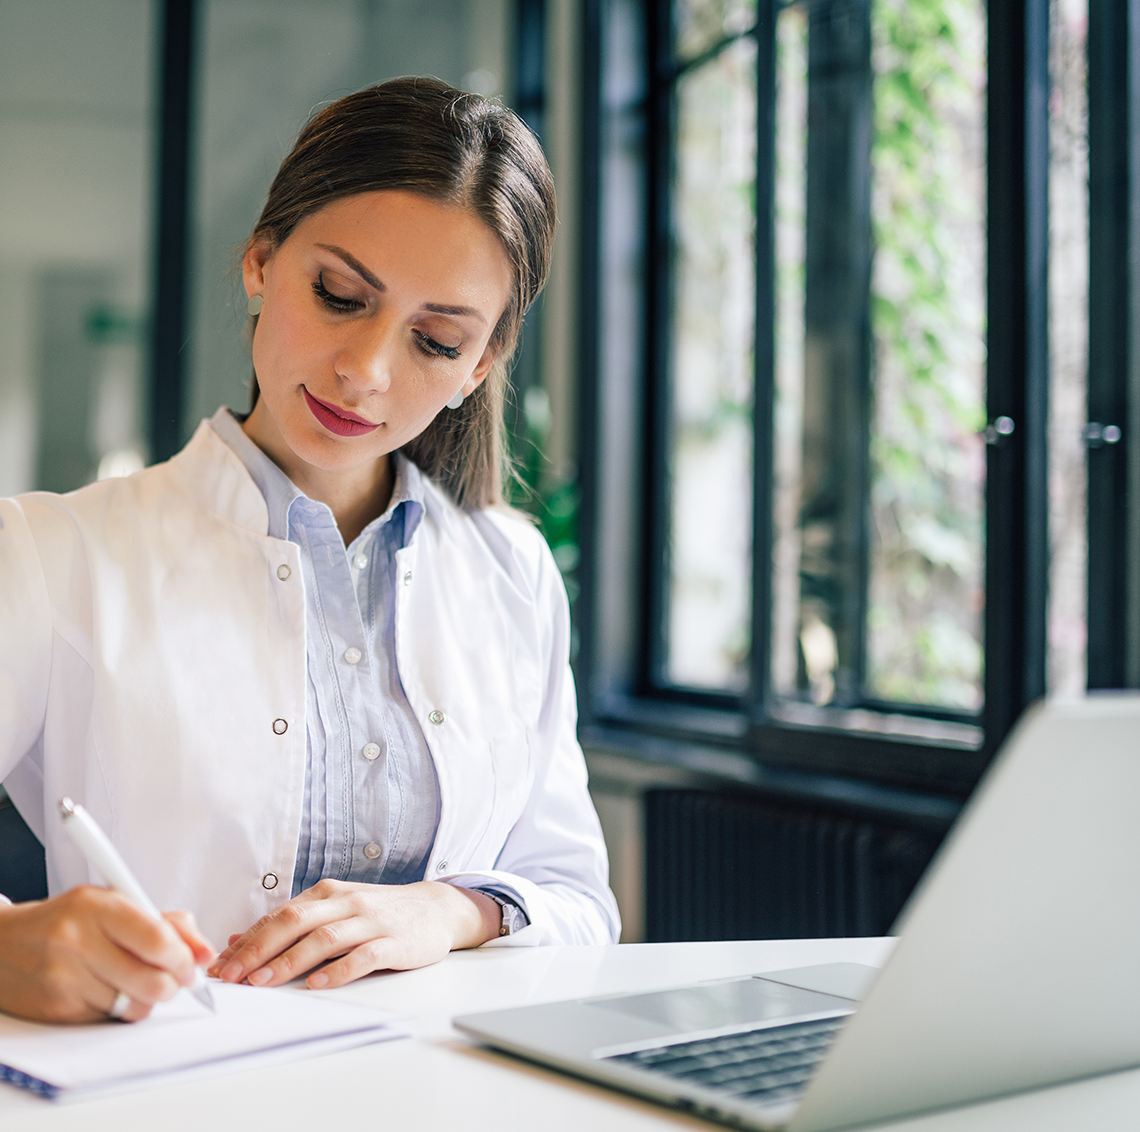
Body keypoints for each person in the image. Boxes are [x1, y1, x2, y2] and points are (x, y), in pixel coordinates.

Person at [0, 77, 619, 1024]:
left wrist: (450, 911)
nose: (366, 371)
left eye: (438, 341)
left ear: (482, 366)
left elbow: (580, 903)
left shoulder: (514, 574)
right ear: (259, 261)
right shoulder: (54, 553)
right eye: (338, 295)